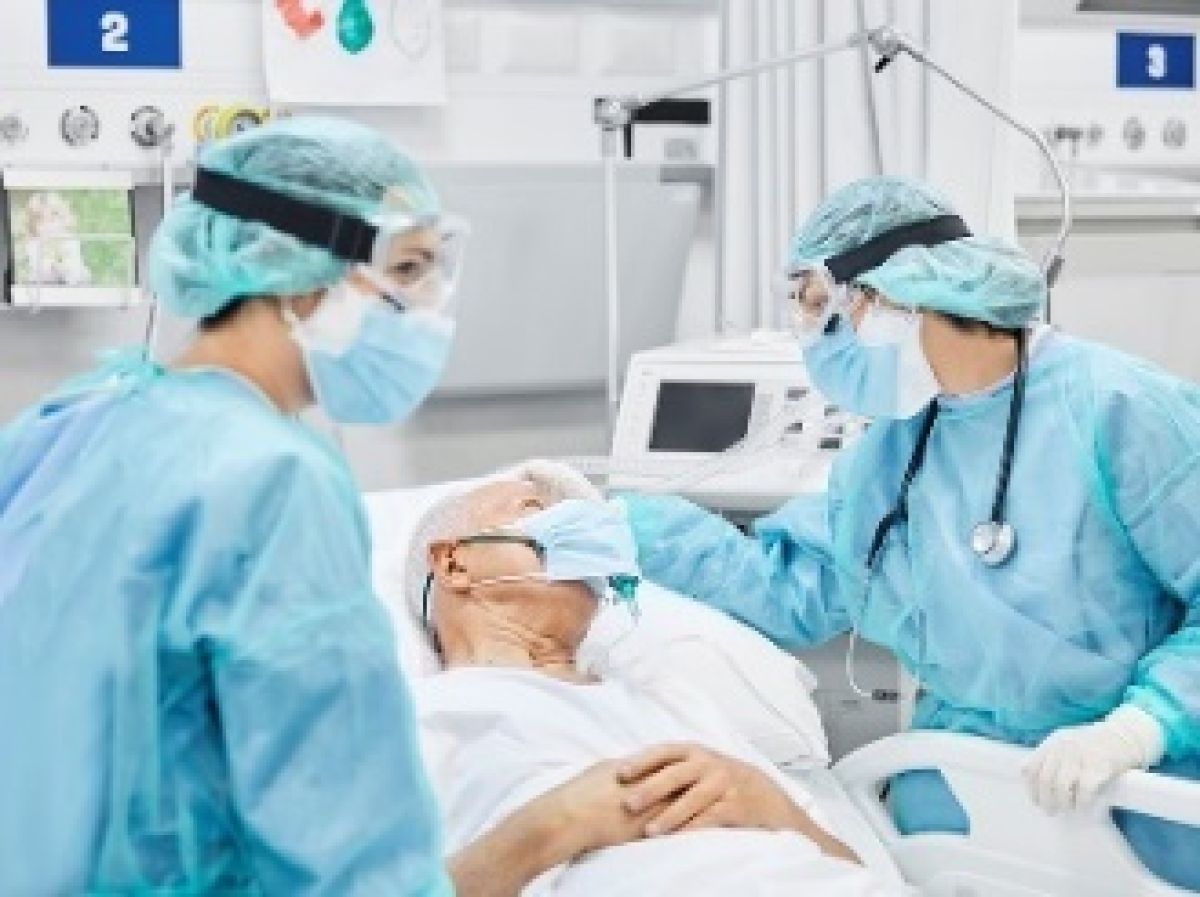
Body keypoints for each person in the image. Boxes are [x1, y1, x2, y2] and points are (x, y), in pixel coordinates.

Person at [0, 116, 647, 896]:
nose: (430, 308)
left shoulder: (69, 422)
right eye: (407, 269)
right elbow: (345, 849)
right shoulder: (273, 481)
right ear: (294, 264)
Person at [617, 176, 1200, 891]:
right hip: (962, 801)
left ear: (891, 298)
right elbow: (797, 585)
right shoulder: (891, 450)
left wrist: (1138, 728)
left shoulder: (1120, 410)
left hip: (1139, 794)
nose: (813, 340)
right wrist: (617, 522)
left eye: (815, 305)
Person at [406, 468, 906, 896]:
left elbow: (853, 869)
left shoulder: (675, 701)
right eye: (536, 506)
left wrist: (763, 799)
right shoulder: (410, 721)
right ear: (454, 563)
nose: (583, 529)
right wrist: (555, 823)